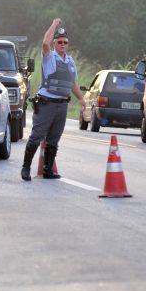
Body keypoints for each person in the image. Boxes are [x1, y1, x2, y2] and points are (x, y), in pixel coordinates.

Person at [20, 18, 86, 181]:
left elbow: (73, 83)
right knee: (36, 136)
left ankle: (48, 169)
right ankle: (26, 168)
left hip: (62, 105)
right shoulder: (50, 57)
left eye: (65, 42)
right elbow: (44, 43)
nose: (63, 45)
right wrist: (54, 25)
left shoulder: (70, 62)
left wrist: (82, 100)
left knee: (54, 139)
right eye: (60, 42)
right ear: (55, 43)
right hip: (46, 104)